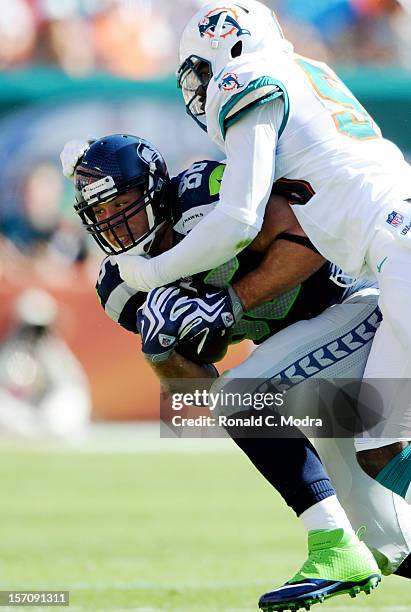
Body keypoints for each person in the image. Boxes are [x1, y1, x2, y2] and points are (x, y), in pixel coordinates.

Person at [62, 135, 411, 611]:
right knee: (388, 543)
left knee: (246, 393)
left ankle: (331, 543)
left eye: (121, 203)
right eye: (99, 213)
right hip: (313, 358)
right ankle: (342, 544)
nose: (113, 222)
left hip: (360, 310)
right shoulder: (120, 286)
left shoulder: (207, 198)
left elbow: (312, 237)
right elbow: (201, 394)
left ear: (155, 190)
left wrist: (232, 301)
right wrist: (160, 351)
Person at [109, 0, 411, 493]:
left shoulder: (245, 77)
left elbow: (236, 220)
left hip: (398, 244)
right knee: (378, 448)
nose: (201, 85)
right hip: (391, 249)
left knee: (256, 399)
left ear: (223, 46)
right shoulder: (307, 69)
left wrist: (148, 274)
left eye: (201, 70)